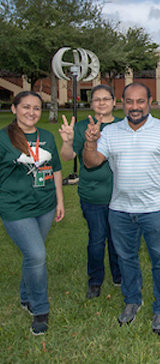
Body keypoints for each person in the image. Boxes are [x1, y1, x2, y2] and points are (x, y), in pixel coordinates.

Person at [82, 82, 160, 336]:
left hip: (156, 210)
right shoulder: (111, 131)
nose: (135, 106)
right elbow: (92, 162)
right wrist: (90, 143)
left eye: (140, 101)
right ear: (122, 103)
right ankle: (132, 301)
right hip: (120, 210)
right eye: (129, 101)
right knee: (127, 259)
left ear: (150, 102)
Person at [0, 91, 65, 335]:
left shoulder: (46, 136)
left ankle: (25, 295)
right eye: (26, 107)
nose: (31, 112)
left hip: (45, 206)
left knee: (31, 256)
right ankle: (40, 309)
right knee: (37, 254)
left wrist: (59, 201)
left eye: (37, 108)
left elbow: (56, 169)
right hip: (15, 208)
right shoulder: (3, 138)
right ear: (14, 108)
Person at [59, 84, 122, 299]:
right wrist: (68, 141)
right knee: (97, 239)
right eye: (97, 99)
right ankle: (95, 281)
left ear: (114, 102)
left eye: (106, 99)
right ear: (91, 103)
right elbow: (67, 157)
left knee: (118, 239)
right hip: (93, 195)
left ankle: (119, 275)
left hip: (121, 195)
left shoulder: (123, 126)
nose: (102, 103)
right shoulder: (81, 127)